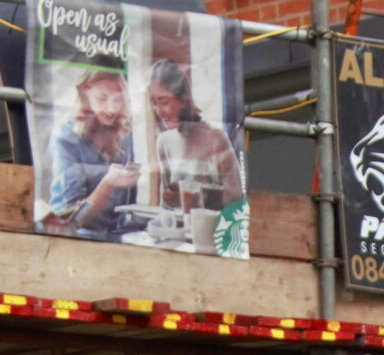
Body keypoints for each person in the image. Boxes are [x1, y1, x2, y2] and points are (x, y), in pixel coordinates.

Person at [43, 70, 138, 240]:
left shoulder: (125, 132)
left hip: (117, 234)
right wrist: (107, 183)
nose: (112, 108)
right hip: (73, 235)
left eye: (118, 99)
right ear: (85, 93)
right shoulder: (66, 137)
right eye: (103, 98)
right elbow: (74, 218)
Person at [147, 58, 239, 213]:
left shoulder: (215, 139)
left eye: (164, 102)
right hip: (177, 232)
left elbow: (235, 199)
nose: (159, 111)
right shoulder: (163, 142)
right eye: (154, 103)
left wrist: (191, 200)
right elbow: (167, 204)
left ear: (183, 99)